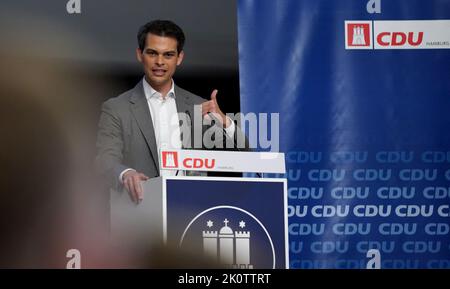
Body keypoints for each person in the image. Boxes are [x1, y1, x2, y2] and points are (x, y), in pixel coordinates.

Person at [96, 20, 247, 204]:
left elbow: (247, 154)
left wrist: (225, 122)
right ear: (139, 54)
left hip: (190, 215)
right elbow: (104, 162)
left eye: (168, 55)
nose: (160, 62)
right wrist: (126, 173)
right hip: (140, 214)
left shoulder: (200, 107)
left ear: (179, 58)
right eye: (152, 53)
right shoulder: (116, 108)